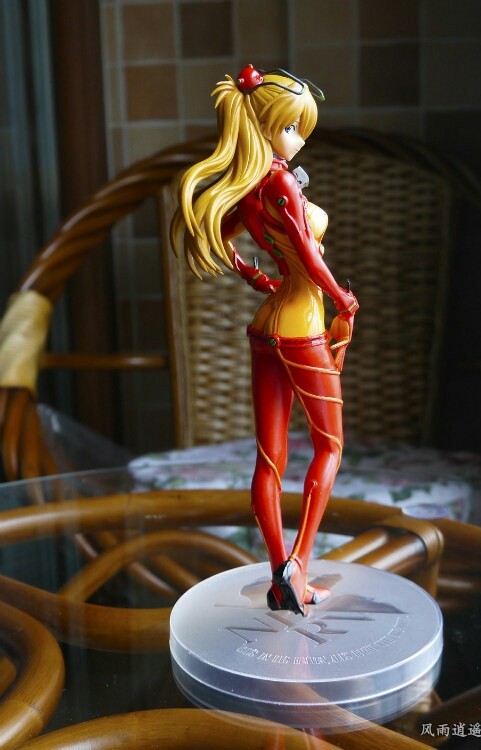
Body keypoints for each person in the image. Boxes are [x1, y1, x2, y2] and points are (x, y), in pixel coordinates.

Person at [171, 65, 358, 615]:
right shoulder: (278, 182)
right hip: (301, 327)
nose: (300, 140)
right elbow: (307, 255)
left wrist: (255, 278)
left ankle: (282, 577)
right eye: (293, 128)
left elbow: (218, 233)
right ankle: (298, 565)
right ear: (266, 124)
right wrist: (342, 299)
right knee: (329, 446)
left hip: (266, 326)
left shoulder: (251, 183)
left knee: (270, 457)